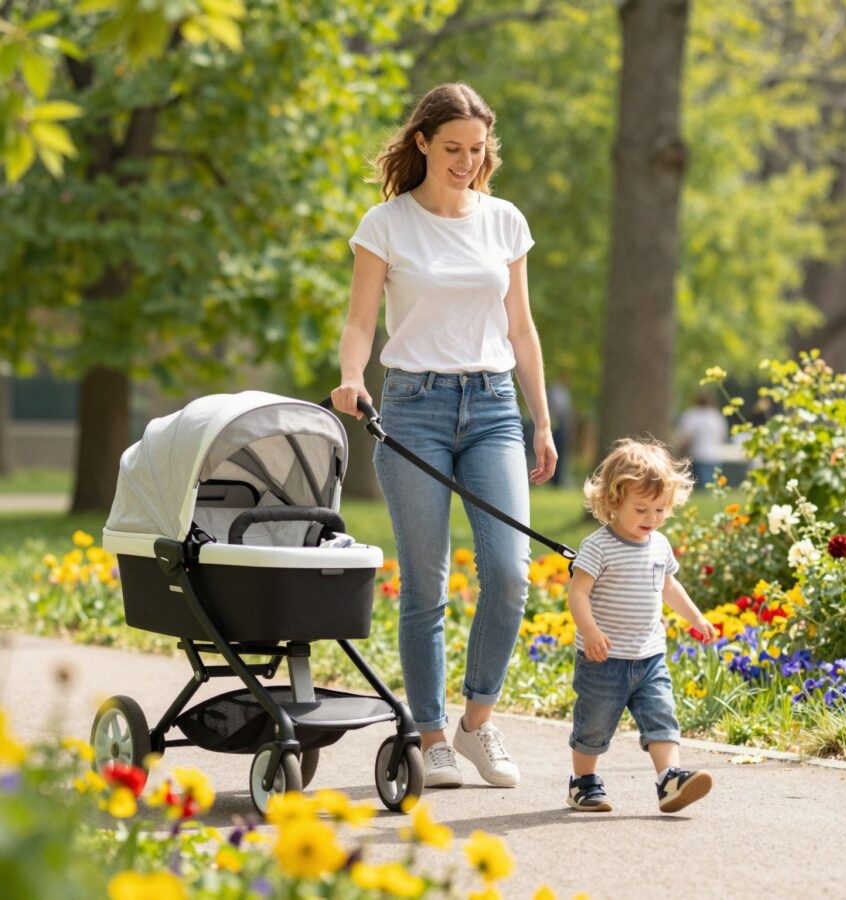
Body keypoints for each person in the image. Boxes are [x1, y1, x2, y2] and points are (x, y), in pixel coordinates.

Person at [330, 83, 557, 790]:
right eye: (453, 148)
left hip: (493, 407)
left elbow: (522, 328)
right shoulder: (386, 224)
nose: (466, 162)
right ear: (423, 142)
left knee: (510, 575)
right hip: (413, 409)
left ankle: (477, 723)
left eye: (477, 149)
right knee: (425, 583)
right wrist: (351, 377)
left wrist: (542, 418)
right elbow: (360, 322)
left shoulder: (504, 221)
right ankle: (431, 737)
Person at [565, 438, 717, 813]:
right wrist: (591, 631)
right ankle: (583, 782)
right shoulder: (598, 546)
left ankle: (669, 779)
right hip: (603, 659)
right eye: (641, 509)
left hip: (650, 657)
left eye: (660, 509)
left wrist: (696, 617)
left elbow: (669, 586)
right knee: (594, 725)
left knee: (661, 717)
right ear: (613, 502)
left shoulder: (659, 545)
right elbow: (578, 593)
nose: (652, 517)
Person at [675, 391, 728, 488]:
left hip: (698, 456)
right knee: (713, 487)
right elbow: (722, 436)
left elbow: (685, 437)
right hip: (715, 456)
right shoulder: (716, 415)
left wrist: (680, 452)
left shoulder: (691, 415)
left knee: (700, 487)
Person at [546, 375, 573, 487]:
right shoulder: (555, 392)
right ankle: (553, 480)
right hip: (555, 427)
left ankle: (558, 480)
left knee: (561, 454)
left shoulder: (564, 393)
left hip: (562, 427)